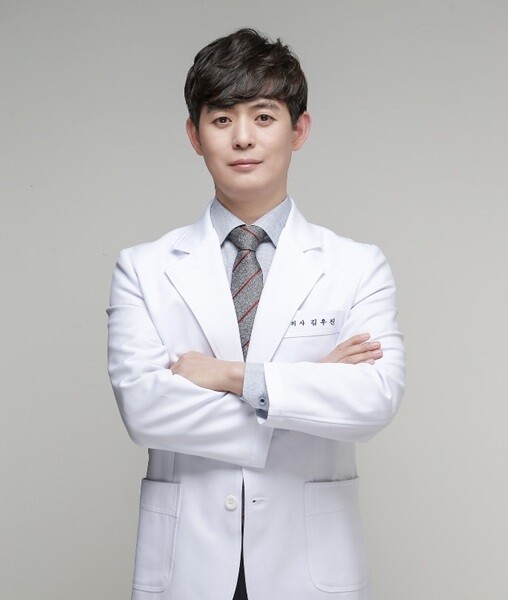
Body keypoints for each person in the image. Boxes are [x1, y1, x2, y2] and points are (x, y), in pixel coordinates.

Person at [107, 28, 405, 600]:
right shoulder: (143, 267)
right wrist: (307, 388)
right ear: (194, 136)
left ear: (300, 129)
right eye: (222, 119)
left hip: (311, 565)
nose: (242, 137)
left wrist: (231, 377)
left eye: (264, 117)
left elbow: (374, 400)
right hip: (187, 563)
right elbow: (144, 410)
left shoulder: (355, 265)